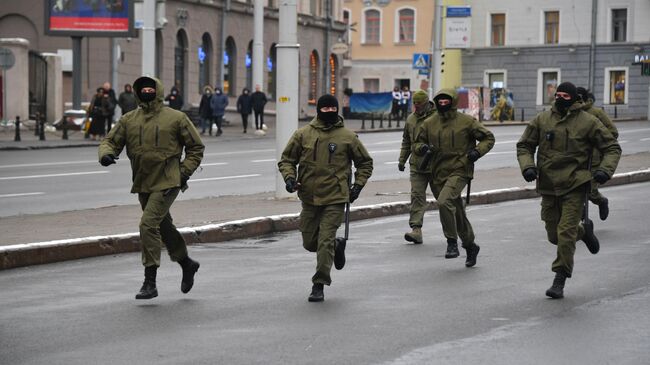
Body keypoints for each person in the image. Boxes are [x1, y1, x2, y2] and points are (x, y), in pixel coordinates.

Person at [98, 76, 205, 300]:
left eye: (151, 88)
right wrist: (106, 154)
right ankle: (187, 263)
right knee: (163, 226)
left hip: (168, 181)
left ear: (158, 91)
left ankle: (150, 282)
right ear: (137, 92)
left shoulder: (176, 117)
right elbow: (110, 141)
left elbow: (196, 147)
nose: (147, 91)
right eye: (143, 88)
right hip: (143, 182)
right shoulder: (129, 119)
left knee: (148, 224)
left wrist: (182, 173)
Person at [516, 82, 621, 299]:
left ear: (574, 99)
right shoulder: (542, 119)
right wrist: (527, 166)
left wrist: (604, 171)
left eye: (565, 95)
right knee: (554, 236)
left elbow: (611, 147)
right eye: (557, 94)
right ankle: (583, 233)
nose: (560, 98)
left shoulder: (588, 121)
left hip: (575, 184)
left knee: (565, 234)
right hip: (548, 185)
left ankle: (559, 279)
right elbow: (524, 145)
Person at [278, 94, 373, 302]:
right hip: (309, 197)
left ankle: (319, 283)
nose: (329, 112)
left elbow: (365, 163)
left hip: (336, 197)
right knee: (310, 242)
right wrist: (289, 179)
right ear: (318, 110)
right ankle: (337, 246)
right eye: (325, 109)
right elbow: (286, 160)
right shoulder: (303, 135)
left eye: (333, 109)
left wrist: (357, 186)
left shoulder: (348, 137)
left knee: (324, 240)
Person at [413, 88, 495, 266]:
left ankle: (451, 243)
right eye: (440, 101)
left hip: (460, 170)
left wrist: (476, 152)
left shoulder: (466, 122)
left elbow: (488, 138)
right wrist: (422, 148)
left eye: (446, 101)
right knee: (456, 211)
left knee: (444, 202)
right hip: (437, 174)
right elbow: (417, 143)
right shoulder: (429, 123)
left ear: (453, 102)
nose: (443, 104)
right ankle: (470, 245)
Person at [398, 90, 437, 244]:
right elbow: (406, 142)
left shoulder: (437, 117)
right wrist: (401, 160)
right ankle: (416, 230)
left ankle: (456, 228)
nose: (416, 106)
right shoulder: (411, 120)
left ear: (427, 103)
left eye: (419, 103)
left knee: (445, 199)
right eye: (414, 103)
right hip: (417, 166)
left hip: (436, 165)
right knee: (417, 196)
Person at [577, 87, 619, 221]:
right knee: (574, 190)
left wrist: (597, 144)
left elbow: (613, 132)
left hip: (594, 159)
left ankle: (601, 201)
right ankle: (580, 215)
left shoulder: (596, 113)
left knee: (591, 190)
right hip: (576, 158)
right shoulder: (570, 113)